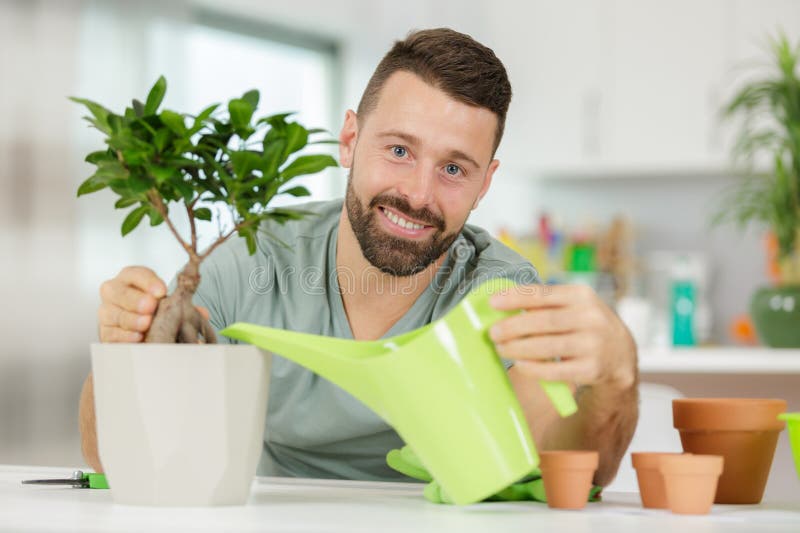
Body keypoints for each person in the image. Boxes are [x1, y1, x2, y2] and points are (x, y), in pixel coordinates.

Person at [80, 28, 638, 486]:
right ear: (349, 139)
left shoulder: (503, 291)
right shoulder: (253, 255)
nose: (419, 195)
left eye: (453, 168)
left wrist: (616, 381)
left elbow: (564, 467)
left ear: (485, 182)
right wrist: (126, 348)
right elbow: (113, 456)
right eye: (399, 150)